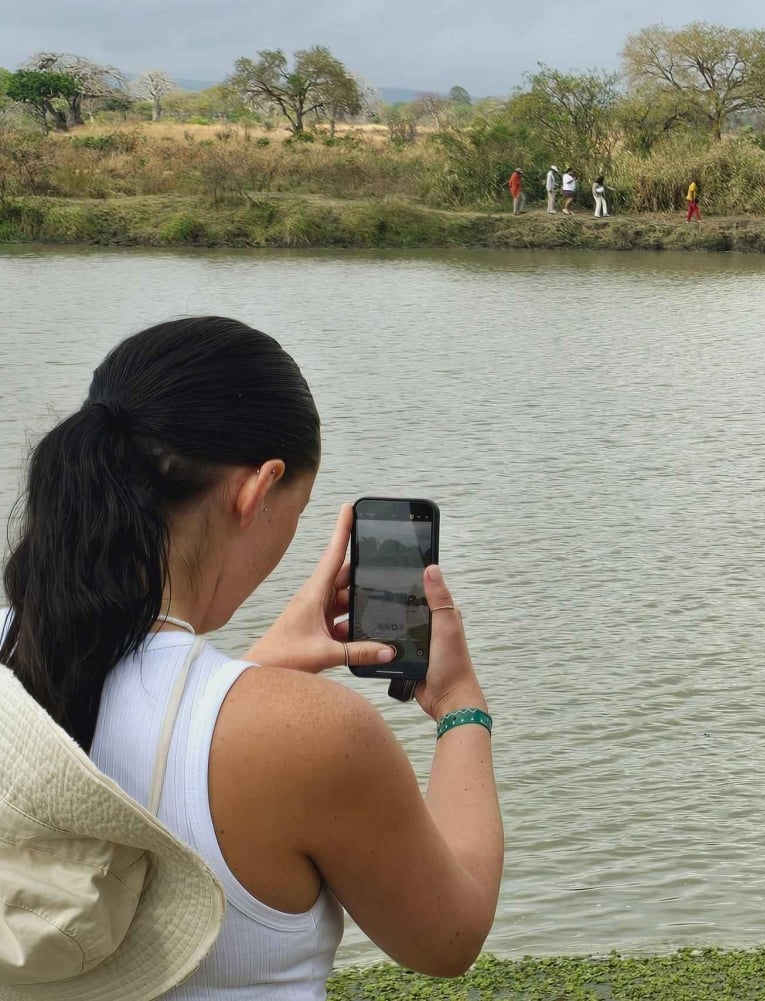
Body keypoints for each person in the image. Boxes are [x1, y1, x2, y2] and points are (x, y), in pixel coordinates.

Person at [0, 317, 504, 998]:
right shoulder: (314, 737)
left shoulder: (17, 656)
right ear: (258, 489)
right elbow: (451, 933)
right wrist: (461, 707)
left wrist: (257, 673)